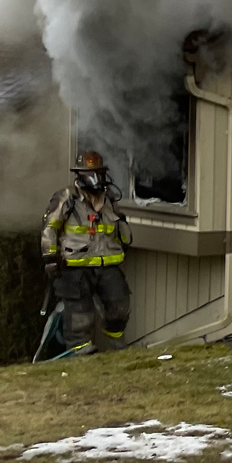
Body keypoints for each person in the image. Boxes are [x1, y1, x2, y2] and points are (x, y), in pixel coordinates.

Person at [41, 151, 134, 353]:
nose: (95, 179)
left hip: (107, 264)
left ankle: (116, 345)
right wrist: (50, 258)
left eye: (98, 174)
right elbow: (50, 228)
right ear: (79, 176)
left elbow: (119, 229)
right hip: (75, 267)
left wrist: (125, 241)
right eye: (90, 174)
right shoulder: (66, 198)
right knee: (79, 314)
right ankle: (80, 351)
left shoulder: (108, 200)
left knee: (119, 305)